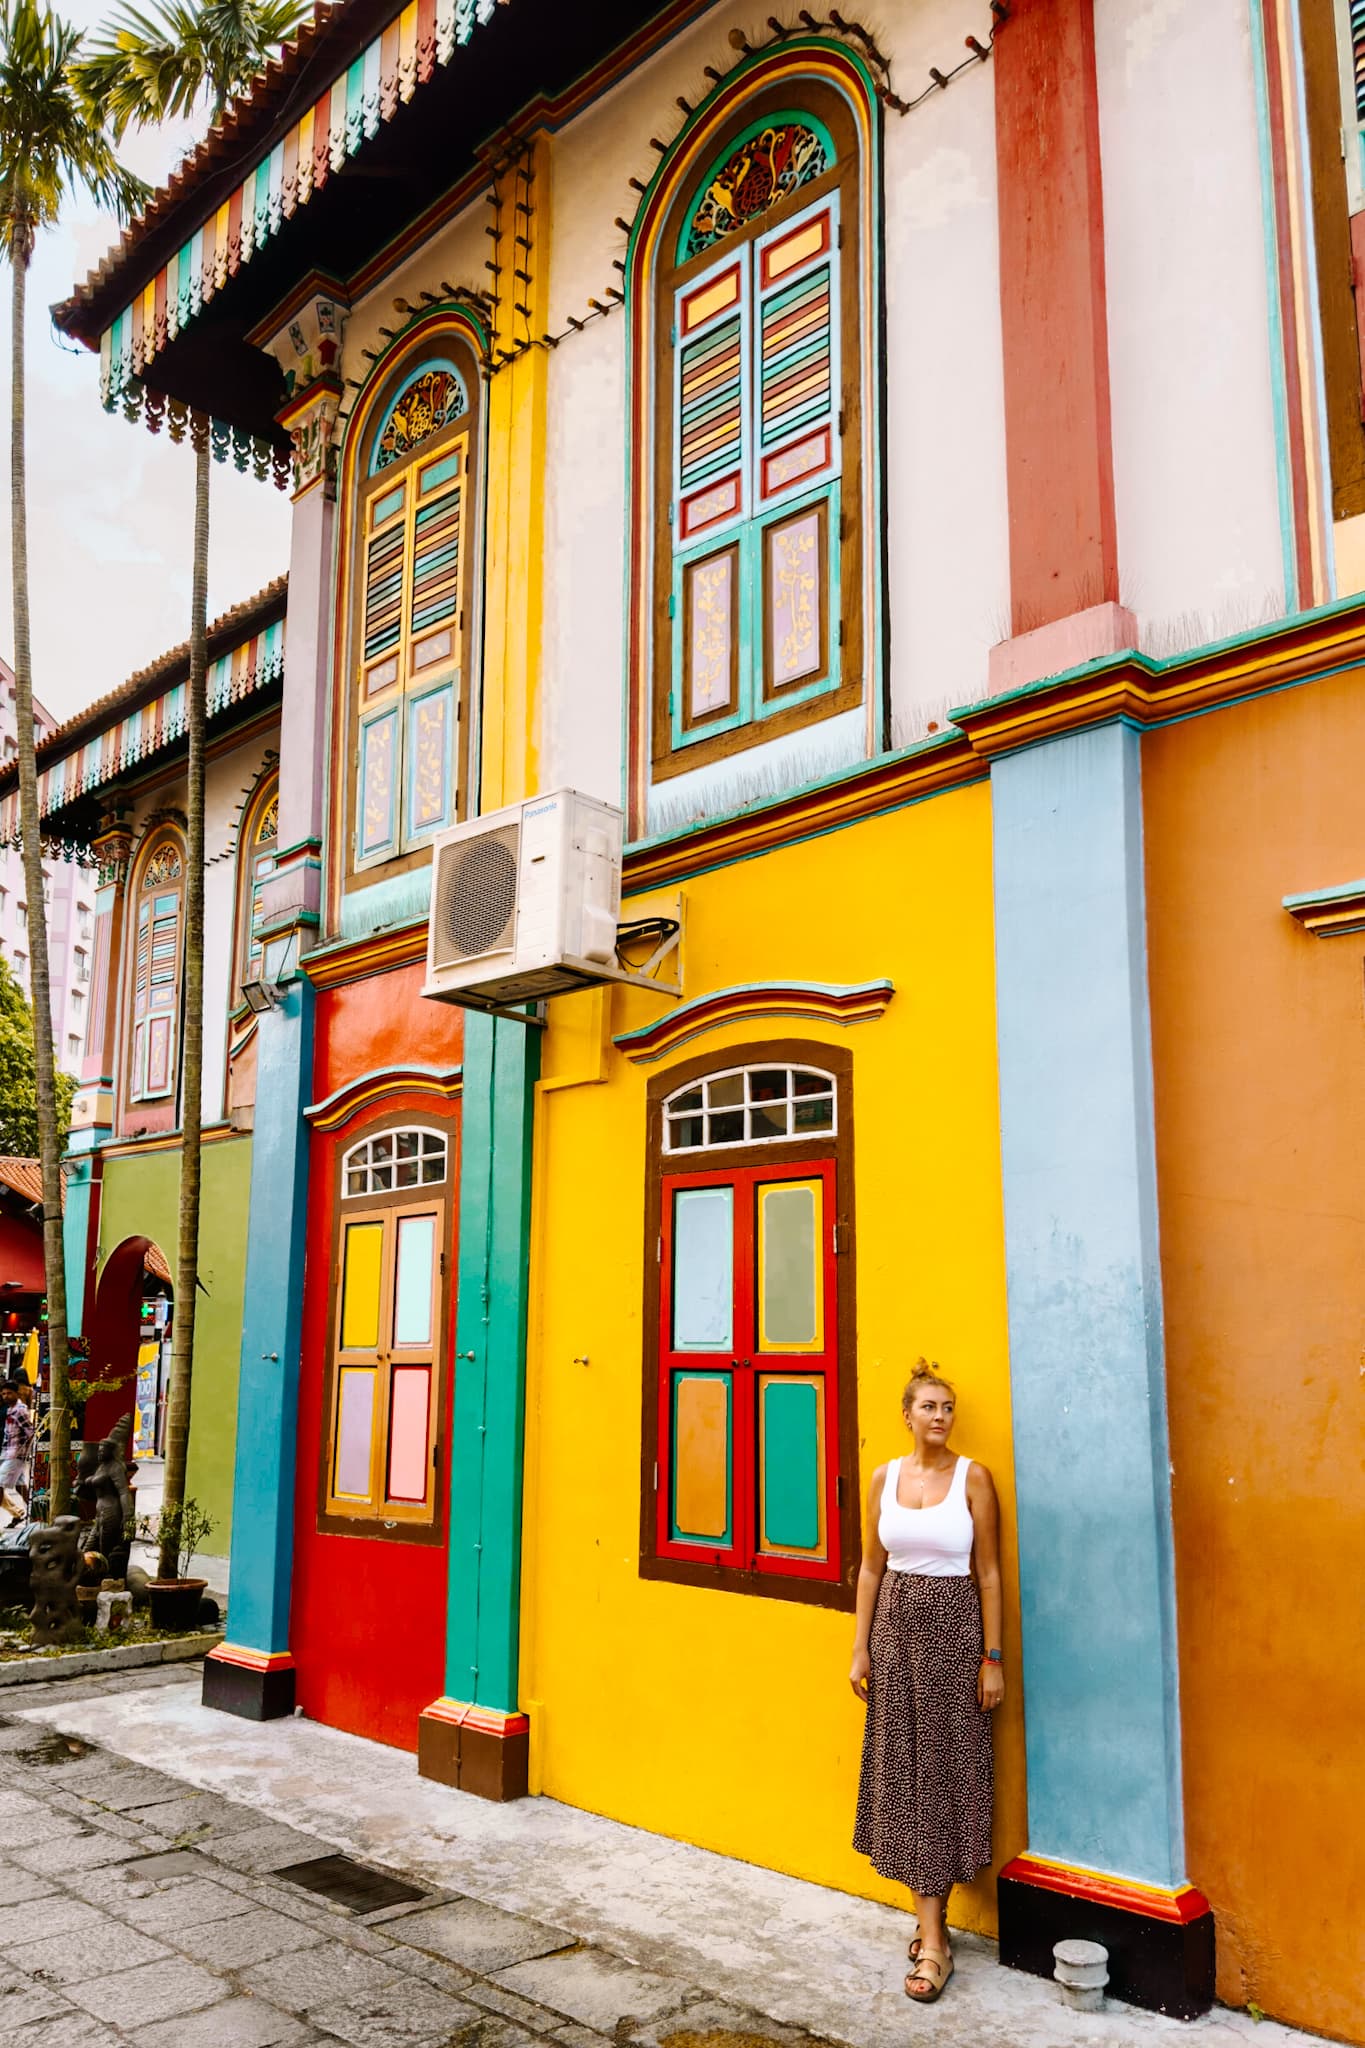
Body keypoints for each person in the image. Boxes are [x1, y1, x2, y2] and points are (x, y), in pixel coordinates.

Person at [850, 1360, 1004, 2005]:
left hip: (953, 1631)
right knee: (902, 1771)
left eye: (948, 1407)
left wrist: (992, 1657)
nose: (940, 1417)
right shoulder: (884, 1477)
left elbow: (990, 1573)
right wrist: (860, 1649)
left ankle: (934, 1941)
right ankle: (929, 1923)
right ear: (907, 1414)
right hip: (893, 1634)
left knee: (941, 1772)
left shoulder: (974, 1479)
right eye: (929, 1407)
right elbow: (869, 1568)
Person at [0, 1382, 33, 1527]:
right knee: (20, 1487)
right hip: (7, 1452)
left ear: (16, 1393)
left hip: (15, 1455)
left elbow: (30, 1433)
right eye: (3, 1394)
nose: (5, 1396)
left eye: (9, 1393)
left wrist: (25, 1453)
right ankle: (33, 1514)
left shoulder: (20, 1410)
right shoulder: (9, 1409)